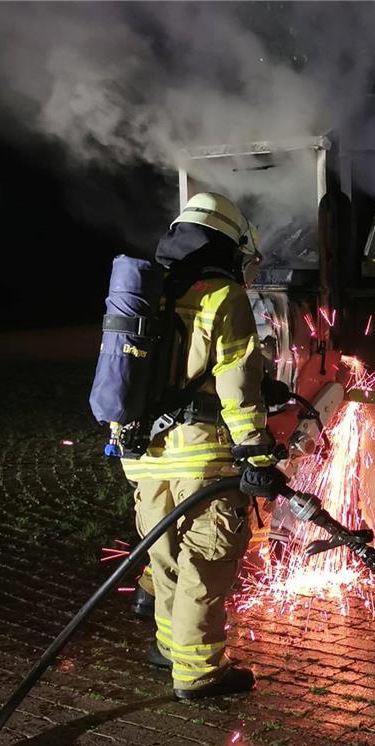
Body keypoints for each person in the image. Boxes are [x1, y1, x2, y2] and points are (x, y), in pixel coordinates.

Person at [122, 192, 280, 699]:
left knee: (165, 559)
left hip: (146, 456)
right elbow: (236, 384)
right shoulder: (221, 295)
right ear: (228, 244)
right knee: (206, 564)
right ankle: (198, 674)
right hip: (203, 457)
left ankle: (170, 650)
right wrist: (256, 454)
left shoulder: (151, 290)